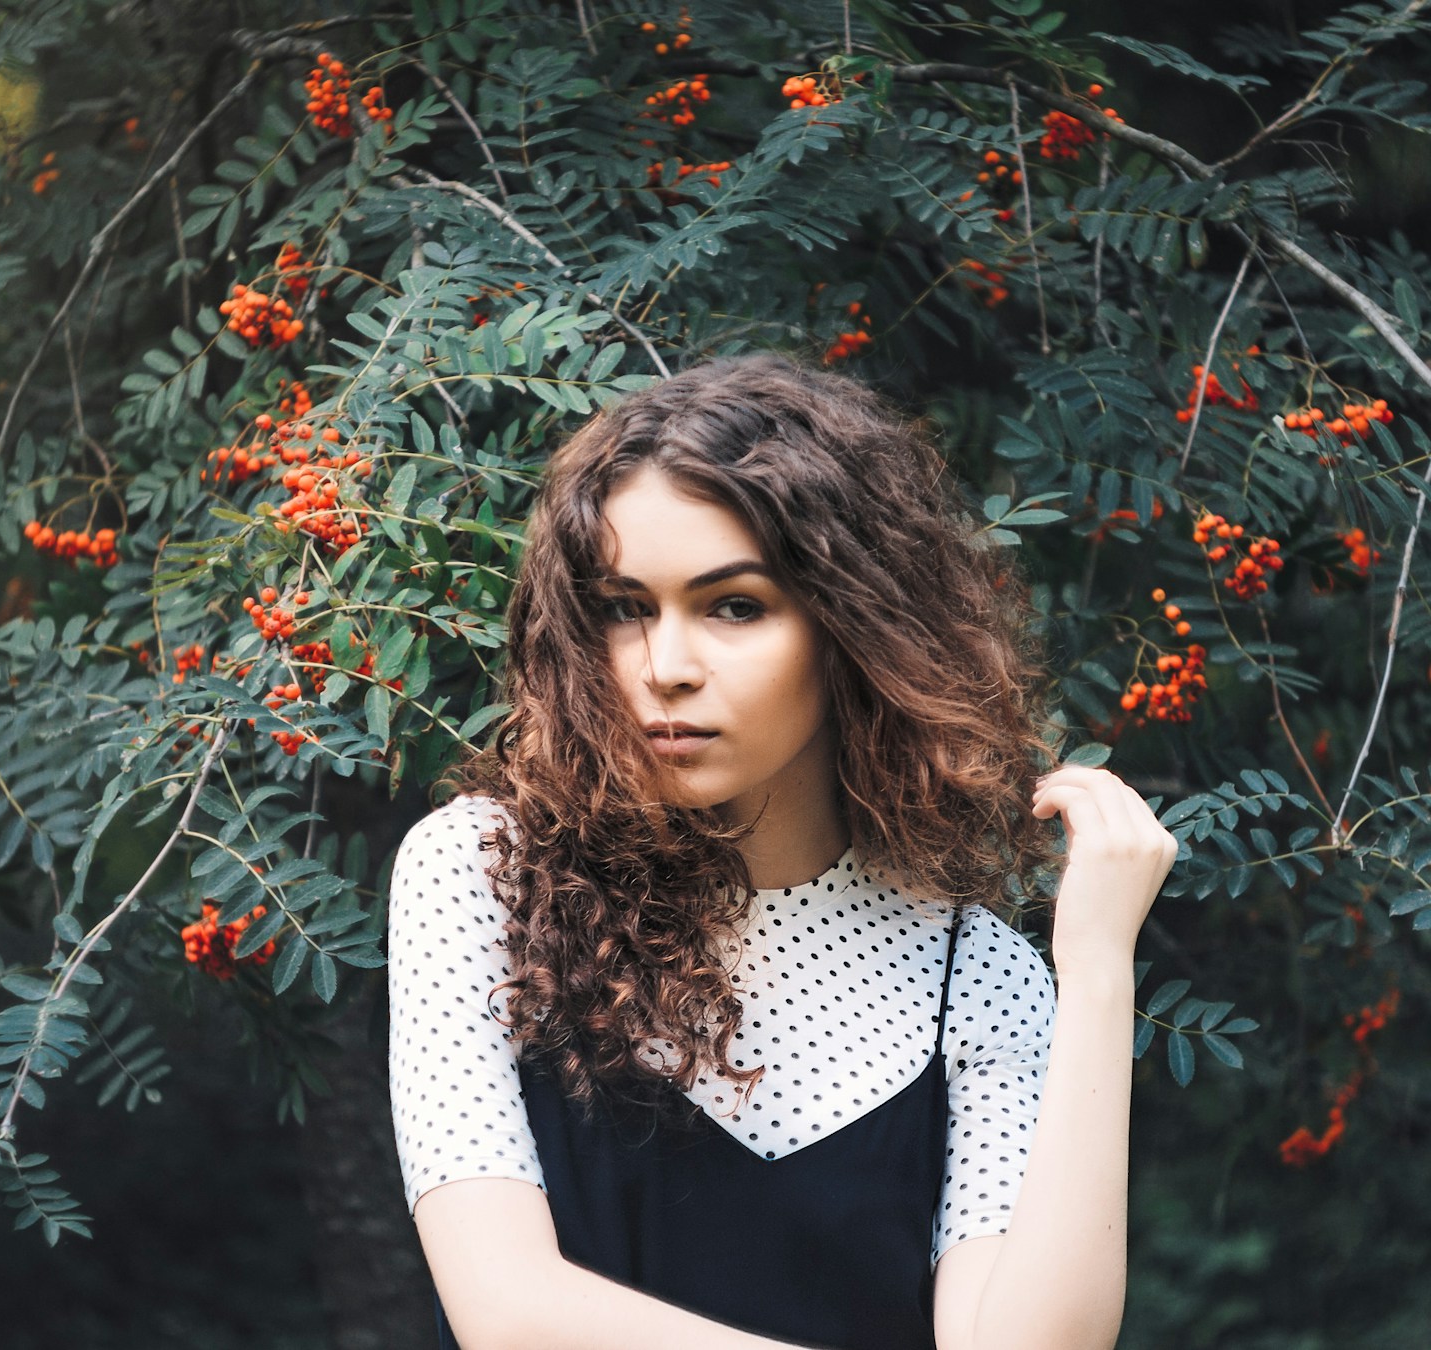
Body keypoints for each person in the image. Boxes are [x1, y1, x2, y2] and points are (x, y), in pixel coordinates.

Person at [386, 351, 1175, 1350]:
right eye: (626, 609)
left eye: (734, 606)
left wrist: (1099, 973)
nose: (665, 668)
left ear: (852, 628)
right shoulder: (482, 874)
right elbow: (509, 1315)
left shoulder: (973, 976)